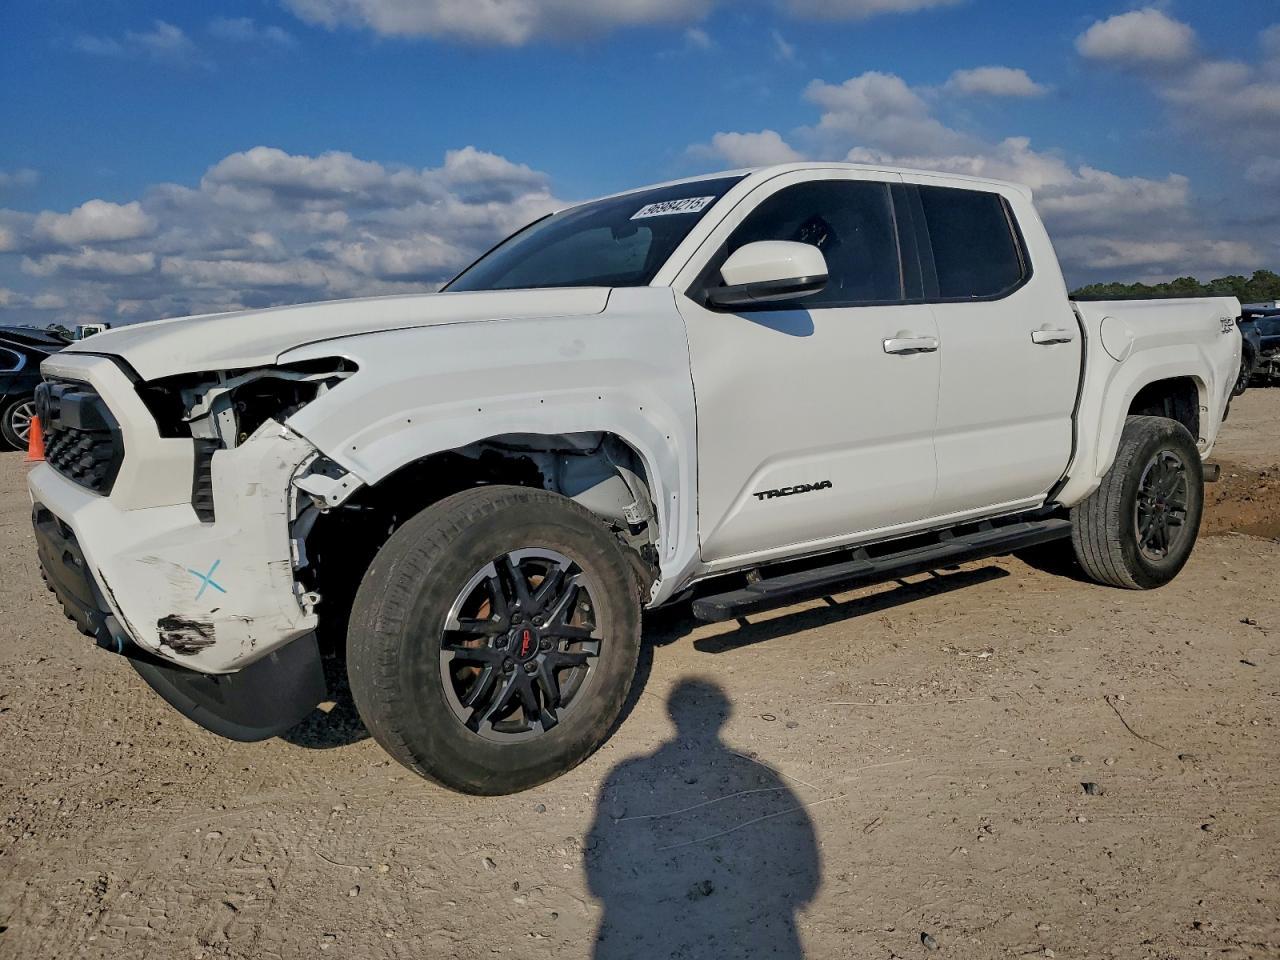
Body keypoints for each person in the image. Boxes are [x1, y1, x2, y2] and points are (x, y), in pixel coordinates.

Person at [585, 679, 821, 959]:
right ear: (725, 715)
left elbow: (597, 874)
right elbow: (806, 879)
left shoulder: (625, 775)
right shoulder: (758, 775)